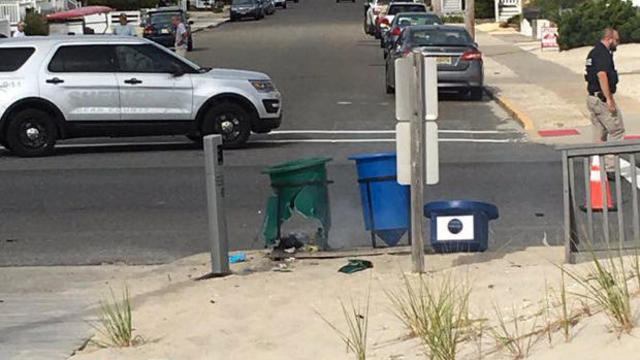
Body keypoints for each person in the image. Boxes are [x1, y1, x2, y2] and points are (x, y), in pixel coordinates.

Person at [585, 28, 624, 175]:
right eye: (617, 40)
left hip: (592, 97)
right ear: (609, 39)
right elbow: (602, 75)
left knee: (599, 133)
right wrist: (609, 99)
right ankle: (610, 168)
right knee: (617, 130)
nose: (617, 44)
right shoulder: (602, 53)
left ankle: (597, 166)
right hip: (601, 98)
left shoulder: (594, 52)